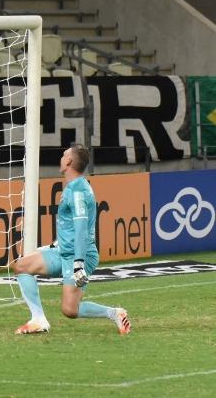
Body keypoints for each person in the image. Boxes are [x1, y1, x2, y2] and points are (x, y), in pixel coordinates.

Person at [12, 143, 131, 335]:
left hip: (79, 255)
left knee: (70, 310)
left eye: (63, 155)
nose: (61, 158)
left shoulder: (77, 192)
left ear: (68, 161)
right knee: (21, 266)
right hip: (65, 251)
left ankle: (114, 313)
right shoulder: (75, 186)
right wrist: (55, 244)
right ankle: (38, 320)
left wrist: (78, 264)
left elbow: (82, 230)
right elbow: (71, 227)